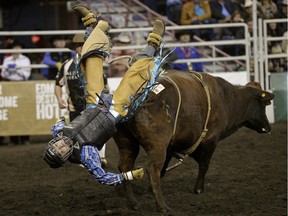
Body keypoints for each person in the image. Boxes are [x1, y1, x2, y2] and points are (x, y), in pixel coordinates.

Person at [43, 4, 166, 185]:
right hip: (113, 112)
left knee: (88, 64)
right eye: (60, 151)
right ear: (65, 157)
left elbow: (57, 124)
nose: (60, 146)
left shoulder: (59, 132)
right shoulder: (86, 154)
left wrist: (62, 114)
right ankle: (154, 42)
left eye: (55, 145)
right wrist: (130, 175)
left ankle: (91, 25)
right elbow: (102, 177)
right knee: (135, 76)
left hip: (93, 104)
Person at [54, 32, 108, 166]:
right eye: (78, 45)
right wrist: (59, 98)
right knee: (77, 134)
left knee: (98, 131)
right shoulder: (66, 66)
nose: (80, 48)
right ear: (74, 48)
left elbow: (104, 83)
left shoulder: (93, 65)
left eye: (82, 45)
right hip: (74, 107)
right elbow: (58, 84)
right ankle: (83, 158)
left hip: (92, 105)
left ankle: (100, 157)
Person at [1, 40, 31, 145]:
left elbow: (26, 75)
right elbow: (3, 74)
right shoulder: (7, 59)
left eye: (18, 47)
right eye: (14, 48)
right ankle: (14, 139)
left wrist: (16, 69)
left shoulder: (25, 59)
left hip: (22, 84)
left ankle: (24, 138)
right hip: (10, 85)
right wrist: (9, 69)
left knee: (24, 112)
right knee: (11, 112)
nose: (16, 50)